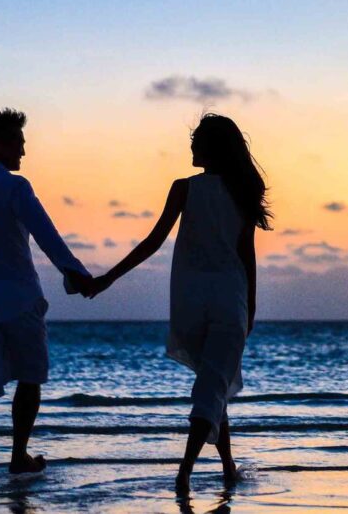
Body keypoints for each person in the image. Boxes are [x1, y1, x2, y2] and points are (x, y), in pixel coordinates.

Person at [88, 113, 270, 493]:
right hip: (229, 300)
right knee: (211, 388)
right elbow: (246, 254)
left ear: (211, 147)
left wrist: (108, 279)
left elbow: (153, 242)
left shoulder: (184, 188)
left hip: (189, 304)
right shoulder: (242, 190)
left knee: (213, 385)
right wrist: (251, 307)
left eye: (195, 140)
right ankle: (184, 472)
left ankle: (228, 467)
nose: (190, 146)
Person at [0, 108, 95, 487]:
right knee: (30, 378)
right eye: (19, 143)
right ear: (0, 143)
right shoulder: (16, 187)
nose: (23, 153)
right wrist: (75, 273)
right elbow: (46, 234)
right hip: (18, 298)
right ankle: (17, 456)